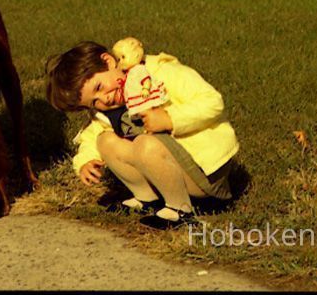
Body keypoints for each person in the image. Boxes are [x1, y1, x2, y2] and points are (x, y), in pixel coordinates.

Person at [45, 41, 239, 229]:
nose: (105, 98)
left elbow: (213, 102)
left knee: (146, 144)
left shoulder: (158, 75)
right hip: (171, 172)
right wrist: (85, 162)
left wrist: (170, 119)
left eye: (99, 87)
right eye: (94, 101)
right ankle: (148, 199)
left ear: (108, 62)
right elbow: (91, 135)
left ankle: (180, 210)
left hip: (205, 173)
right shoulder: (109, 109)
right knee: (105, 141)